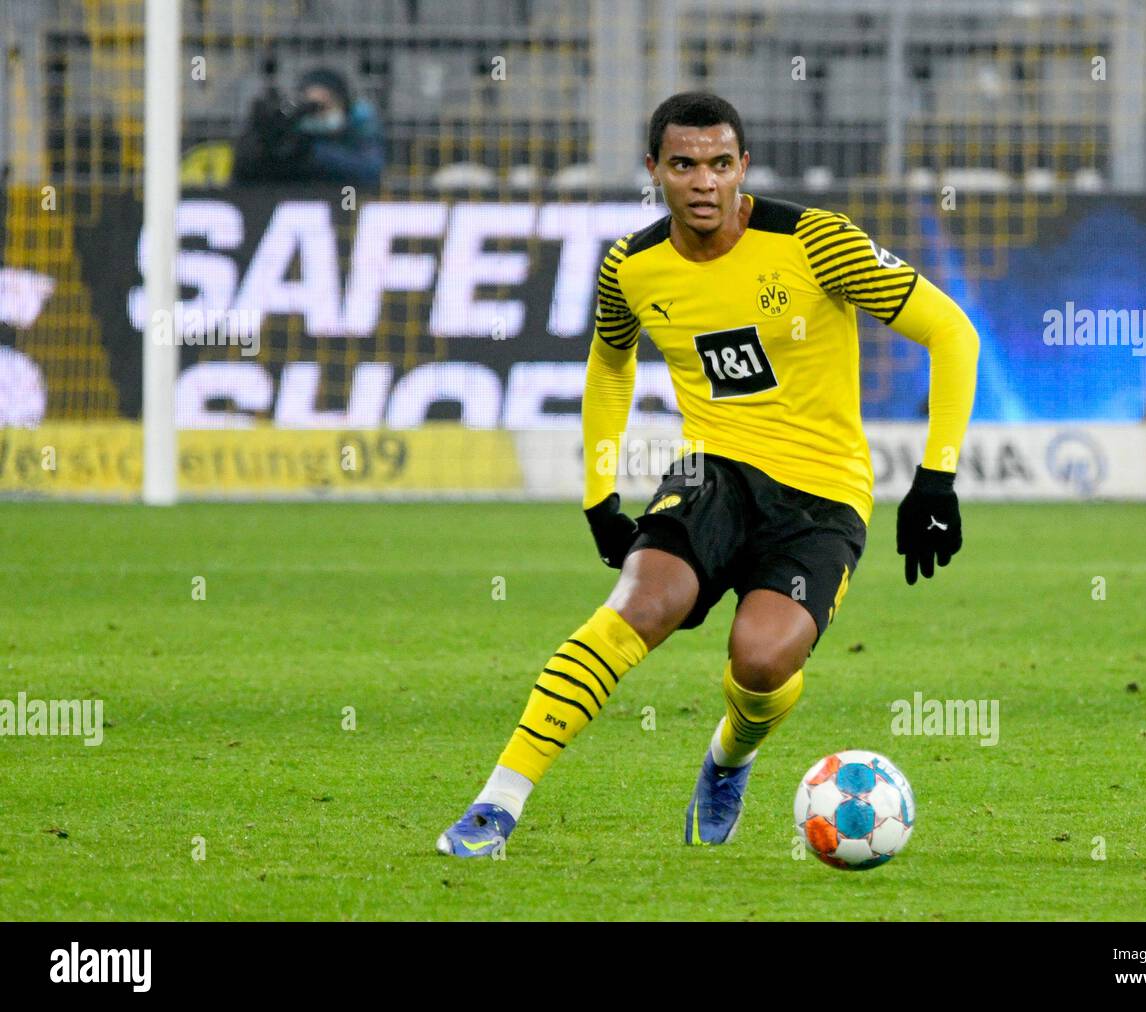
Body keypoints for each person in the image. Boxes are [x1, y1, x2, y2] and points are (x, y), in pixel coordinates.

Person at [437, 91, 979, 857]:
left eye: (720, 164)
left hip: (823, 492)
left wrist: (936, 480)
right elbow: (608, 364)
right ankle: (498, 803)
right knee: (640, 605)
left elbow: (952, 333)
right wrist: (599, 497)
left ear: (743, 169)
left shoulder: (817, 243)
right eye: (685, 165)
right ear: (654, 170)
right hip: (712, 470)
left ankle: (732, 754)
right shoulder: (633, 265)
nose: (703, 183)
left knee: (761, 660)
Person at [232, 67, 383, 186]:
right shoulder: (290, 133)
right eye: (312, 106)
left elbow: (370, 171)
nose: (318, 114)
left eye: (324, 105)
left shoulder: (358, 126)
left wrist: (313, 152)